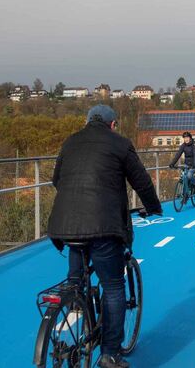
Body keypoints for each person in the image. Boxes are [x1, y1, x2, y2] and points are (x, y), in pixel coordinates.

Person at [47, 104, 162, 368]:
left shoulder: (70, 142)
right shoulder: (120, 144)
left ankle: (73, 301)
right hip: (103, 226)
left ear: (87, 121)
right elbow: (141, 181)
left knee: (76, 279)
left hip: (65, 226)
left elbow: (57, 180)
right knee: (113, 286)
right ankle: (110, 353)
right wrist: (153, 206)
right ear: (112, 124)